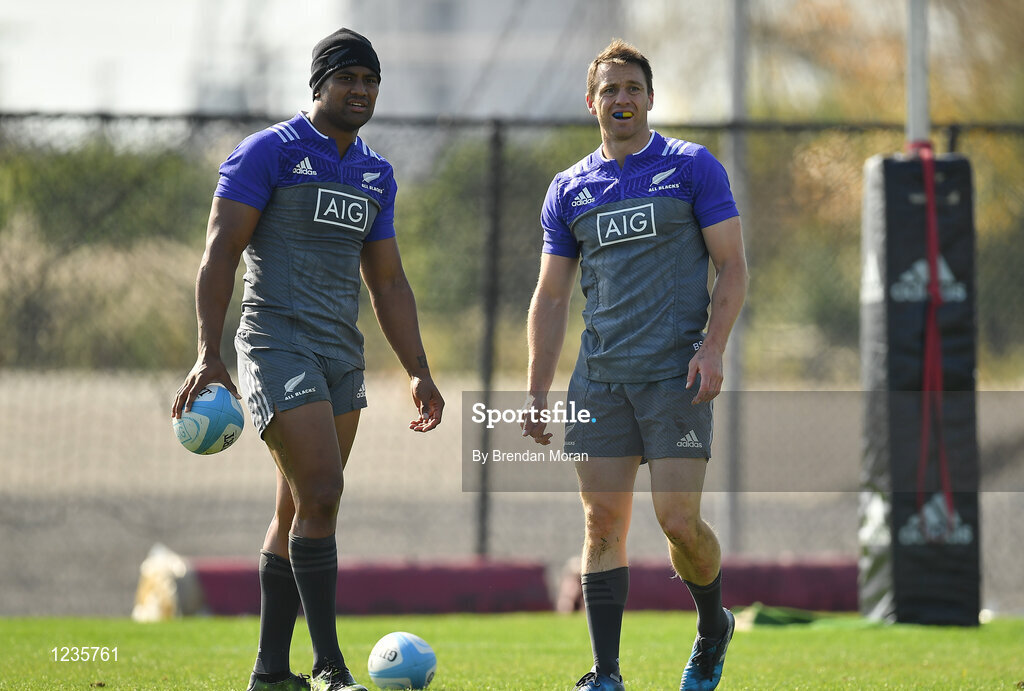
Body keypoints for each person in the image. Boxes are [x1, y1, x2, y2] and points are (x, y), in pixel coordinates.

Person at [171, 28, 444, 691]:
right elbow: (219, 256)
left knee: (301, 508)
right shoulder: (266, 153)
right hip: (274, 341)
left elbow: (388, 283)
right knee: (322, 490)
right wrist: (209, 353)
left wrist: (418, 367)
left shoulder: (376, 173)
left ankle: (270, 673)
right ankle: (329, 666)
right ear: (319, 85)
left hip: (339, 353)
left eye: (371, 80)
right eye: (348, 78)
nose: (362, 91)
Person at [523, 38, 748, 691]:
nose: (622, 98)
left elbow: (732, 265)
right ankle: (607, 672)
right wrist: (538, 386)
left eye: (633, 88)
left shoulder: (691, 167)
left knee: (677, 520)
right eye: (611, 89)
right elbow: (552, 294)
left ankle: (713, 626)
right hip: (600, 381)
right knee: (602, 523)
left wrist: (713, 347)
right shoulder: (569, 189)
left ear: (650, 98)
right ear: (591, 101)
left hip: (676, 377)